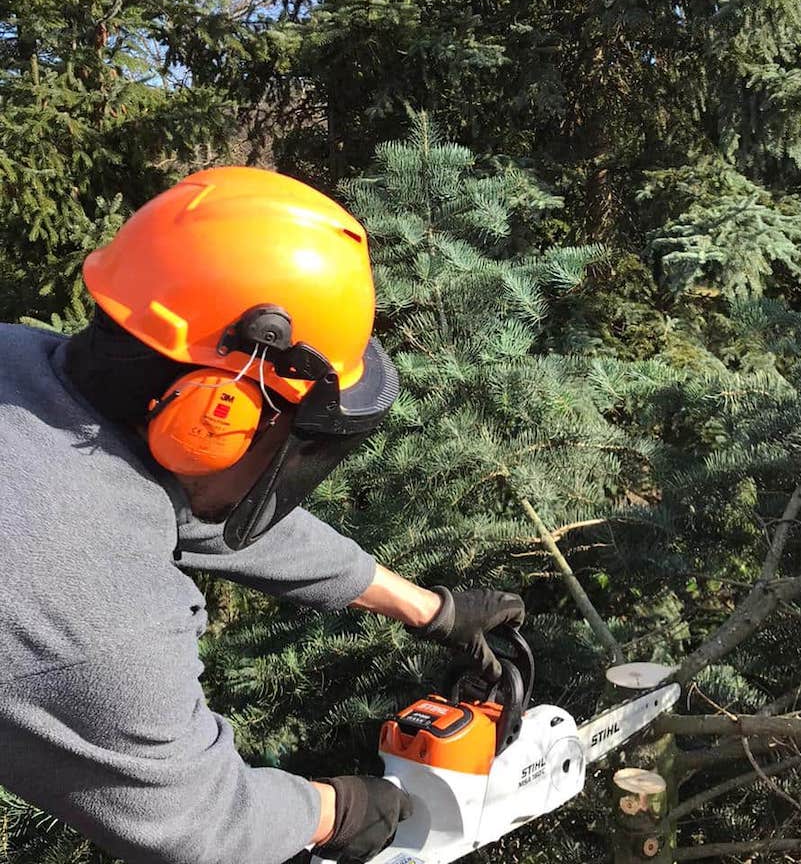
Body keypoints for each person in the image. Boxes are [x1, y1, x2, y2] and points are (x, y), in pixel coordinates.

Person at [0, 166, 525, 864]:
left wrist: (427, 607)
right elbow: (200, 824)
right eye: (293, 428)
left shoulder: (26, 366)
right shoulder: (85, 607)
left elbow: (178, 507)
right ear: (217, 412)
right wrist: (342, 809)